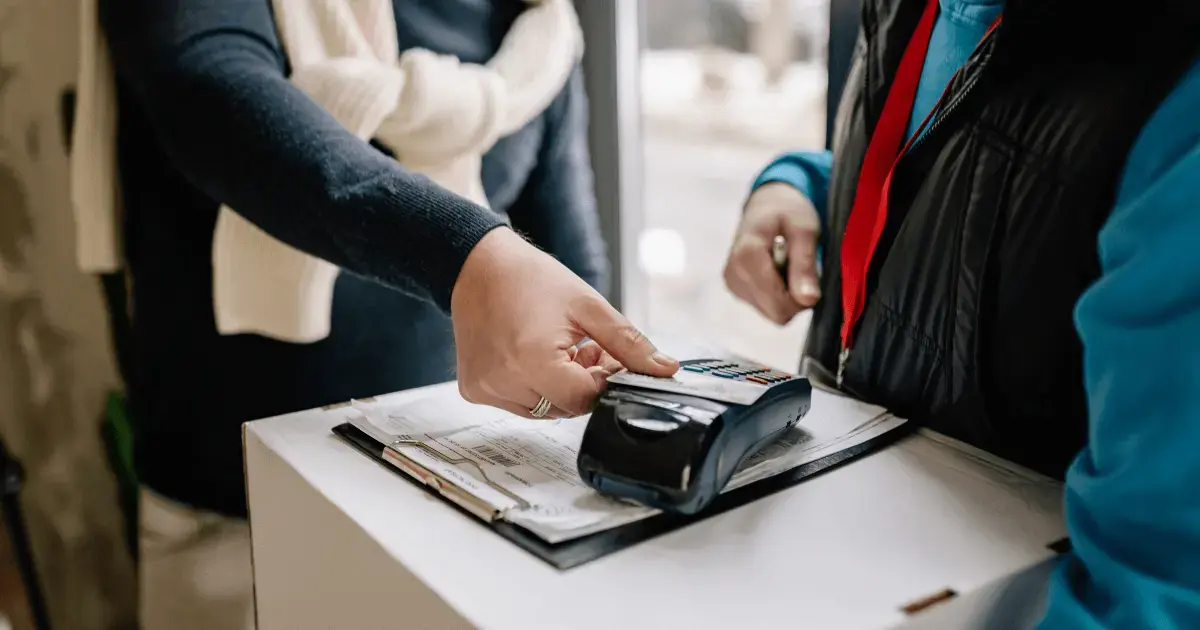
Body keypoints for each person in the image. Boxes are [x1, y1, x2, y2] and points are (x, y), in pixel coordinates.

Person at [73, 0, 679, 627]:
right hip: (233, 515)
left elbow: (575, 264)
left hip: (464, 511)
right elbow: (210, 83)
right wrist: (465, 253)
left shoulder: (539, 26)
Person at [725, 0, 1200, 626]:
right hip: (856, 563)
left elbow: (1157, 590)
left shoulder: (1177, 97)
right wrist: (803, 182)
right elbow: (950, 166)